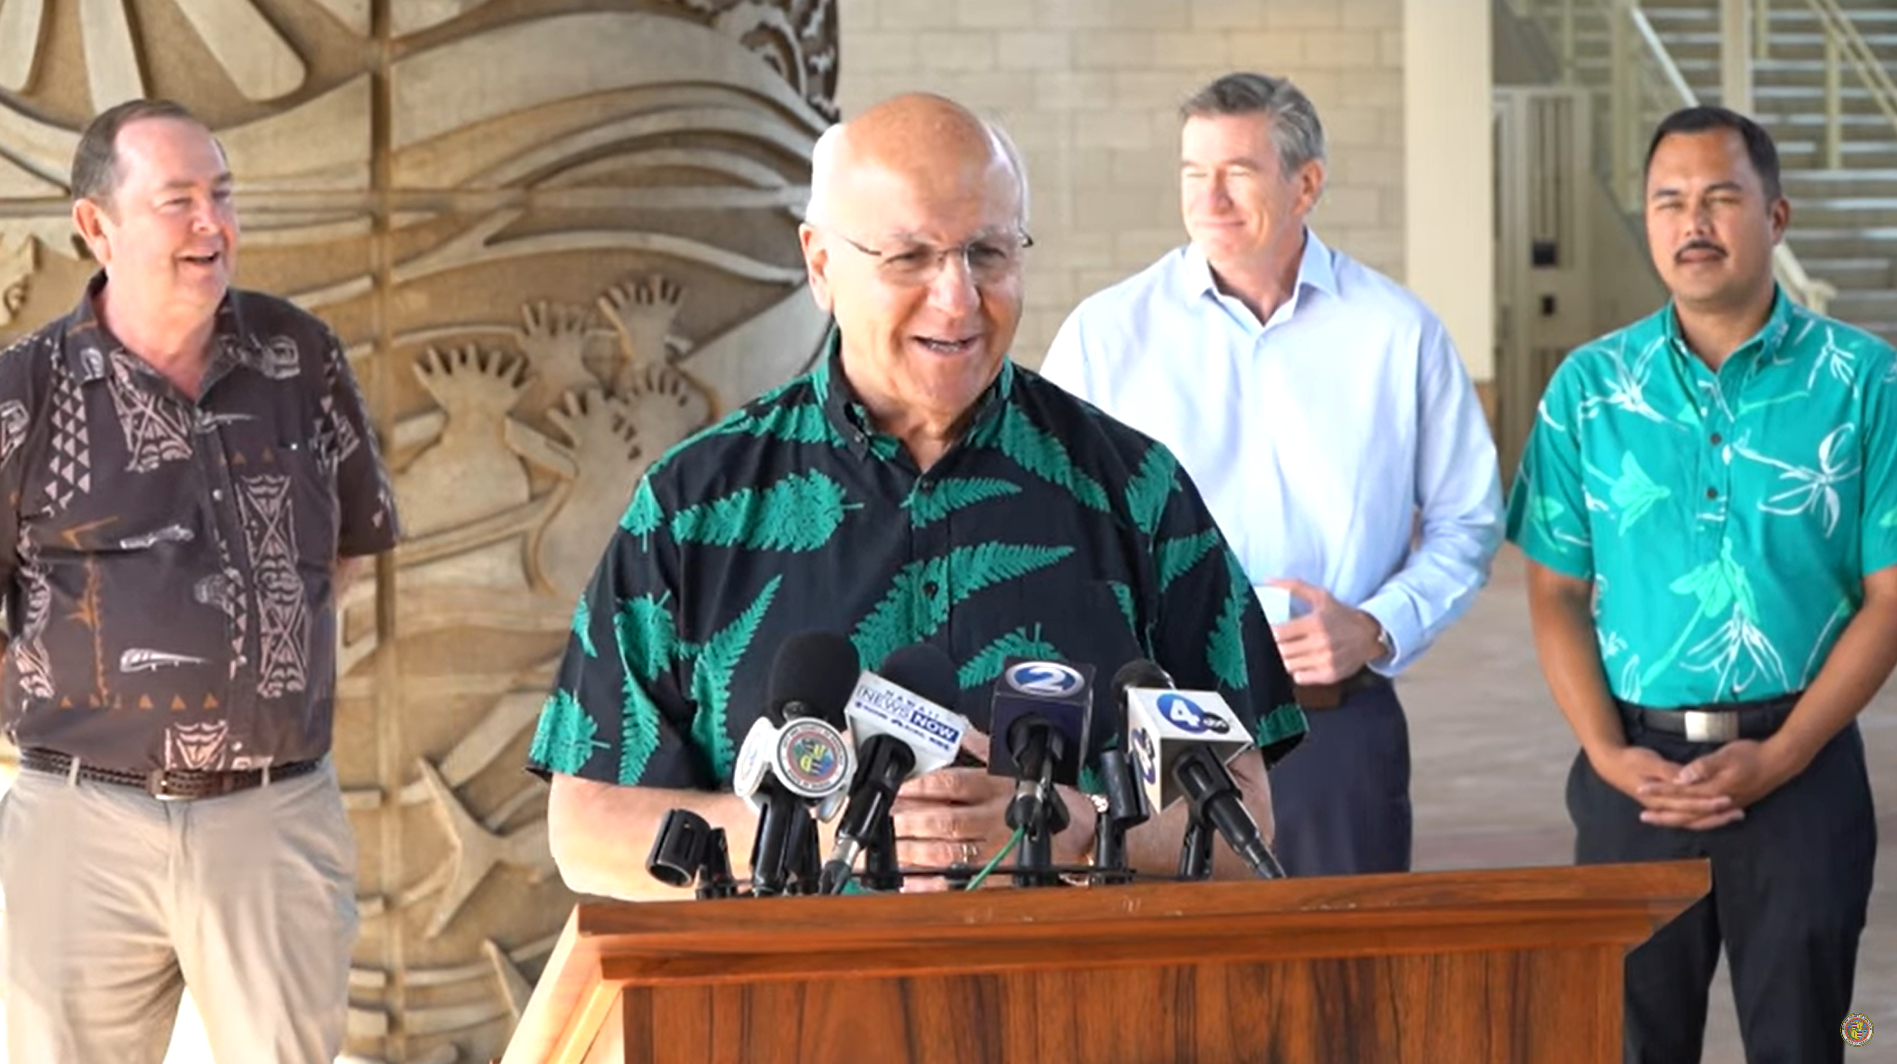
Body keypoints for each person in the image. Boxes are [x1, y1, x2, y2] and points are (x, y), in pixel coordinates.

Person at [529, 92, 1307, 900]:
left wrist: (1075, 829)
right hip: (786, 1013)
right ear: (820, 264)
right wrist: (821, 834)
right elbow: (587, 828)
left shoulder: (1137, 493)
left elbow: (1243, 814)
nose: (958, 298)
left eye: (988, 253)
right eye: (910, 258)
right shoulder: (692, 508)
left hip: (1075, 1009)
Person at [0, 99, 399, 1063]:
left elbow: (348, 543)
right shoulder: (22, 393)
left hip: (271, 816)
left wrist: (252, 667)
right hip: (77, 820)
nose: (211, 224)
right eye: (176, 201)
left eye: (221, 195)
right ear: (97, 225)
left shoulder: (300, 357)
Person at [1039, 72, 1502, 877]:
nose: (1208, 198)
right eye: (1193, 173)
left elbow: (1469, 521)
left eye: (1238, 172)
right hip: (1154, 731)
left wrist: (1380, 624)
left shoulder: (1396, 334)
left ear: (1306, 183)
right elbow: (1052, 523)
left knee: (1346, 980)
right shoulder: (1105, 336)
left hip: (1334, 726)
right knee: (1169, 989)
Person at [1508, 105, 1893, 1063]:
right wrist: (1601, 751)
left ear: (1777, 214)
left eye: (1721, 198)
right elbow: (1553, 592)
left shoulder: (1866, 383)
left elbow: (1892, 597)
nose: (1693, 223)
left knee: (1819, 1032)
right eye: (1668, 202)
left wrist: (1784, 756)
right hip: (1632, 776)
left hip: (1801, 771)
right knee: (1629, 1038)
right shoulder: (1588, 390)